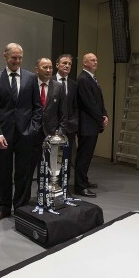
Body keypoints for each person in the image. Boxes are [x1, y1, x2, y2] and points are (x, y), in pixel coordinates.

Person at [0, 43, 43, 222]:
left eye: (20, 57)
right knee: (4, 173)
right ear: (5, 56)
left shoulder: (31, 78)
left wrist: (33, 129)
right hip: (3, 136)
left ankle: (20, 207)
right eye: (14, 57)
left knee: (23, 173)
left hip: (25, 135)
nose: (17, 61)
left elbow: (37, 107)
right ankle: (4, 207)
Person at [75, 53, 109, 198]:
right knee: (83, 156)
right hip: (86, 124)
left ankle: (84, 180)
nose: (96, 62)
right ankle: (80, 186)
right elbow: (89, 103)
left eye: (96, 59)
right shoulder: (83, 79)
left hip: (92, 123)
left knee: (88, 156)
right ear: (84, 63)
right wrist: (100, 118)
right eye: (92, 60)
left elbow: (99, 100)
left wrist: (104, 114)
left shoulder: (91, 78)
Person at [32, 58, 67, 193]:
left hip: (51, 135)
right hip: (32, 134)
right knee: (27, 169)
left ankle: (45, 196)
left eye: (50, 68)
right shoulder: (30, 84)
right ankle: (23, 201)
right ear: (37, 69)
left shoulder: (58, 86)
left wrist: (59, 133)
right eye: (45, 67)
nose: (48, 70)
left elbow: (63, 113)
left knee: (48, 169)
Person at [53, 54, 78, 187]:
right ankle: (51, 187)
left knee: (66, 160)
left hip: (69, 129)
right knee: (52, 160)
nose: (67, 65)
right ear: (57, 65)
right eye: (64, 63)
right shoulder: (50, 81)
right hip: (53, 129)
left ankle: (64, 188)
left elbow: (76, 107)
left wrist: (74, 122)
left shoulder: (74, 85)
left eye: (69, 63)